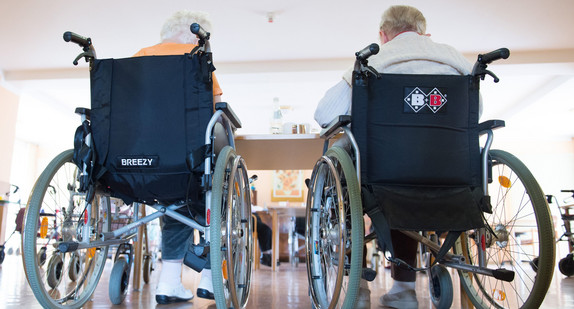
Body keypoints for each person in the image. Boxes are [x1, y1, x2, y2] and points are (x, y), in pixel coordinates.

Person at [314, 5, 474, 309]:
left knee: (352, 182)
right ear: (426, 34)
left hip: (382, 175)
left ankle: (358, 287)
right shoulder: (457, 61)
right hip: (448, 172)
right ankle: (403, 289)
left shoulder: (373, 60)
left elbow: (324, 115)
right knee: (410, 189)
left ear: (383, 35)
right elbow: (474, 115)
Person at [134, 10, 222, 304]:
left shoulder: (137, 59)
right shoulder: (198, 62)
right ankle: (210, 277)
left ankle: (169, 283)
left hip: (137, 165)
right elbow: (217, 113)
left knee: (173, 202)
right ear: (192, 34)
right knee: (209, 191)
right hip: (187, 165)